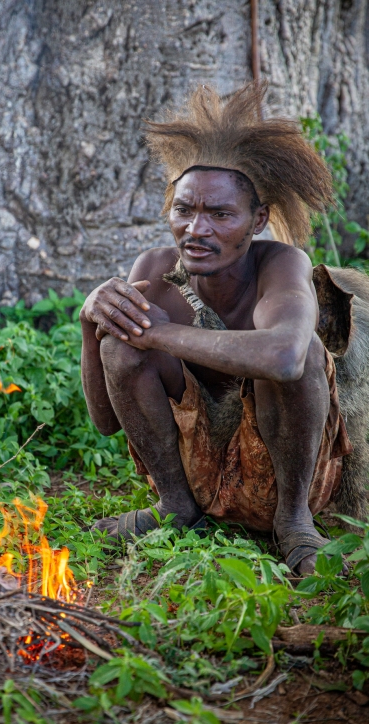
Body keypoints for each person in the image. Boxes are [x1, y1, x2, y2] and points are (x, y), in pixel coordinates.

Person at [79, 81, 367, 576]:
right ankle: (176, 506)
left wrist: (158, 334)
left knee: (302, 355)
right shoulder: (154, 268)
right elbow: (107, 422)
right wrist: (91, 324)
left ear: (258, 221)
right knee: (121, 348)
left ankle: (294, 523)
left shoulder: (280, 264)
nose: (196, 229)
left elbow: (284, 358)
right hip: (198, 473)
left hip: (292, 472)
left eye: (220, 214)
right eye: (184, 210)